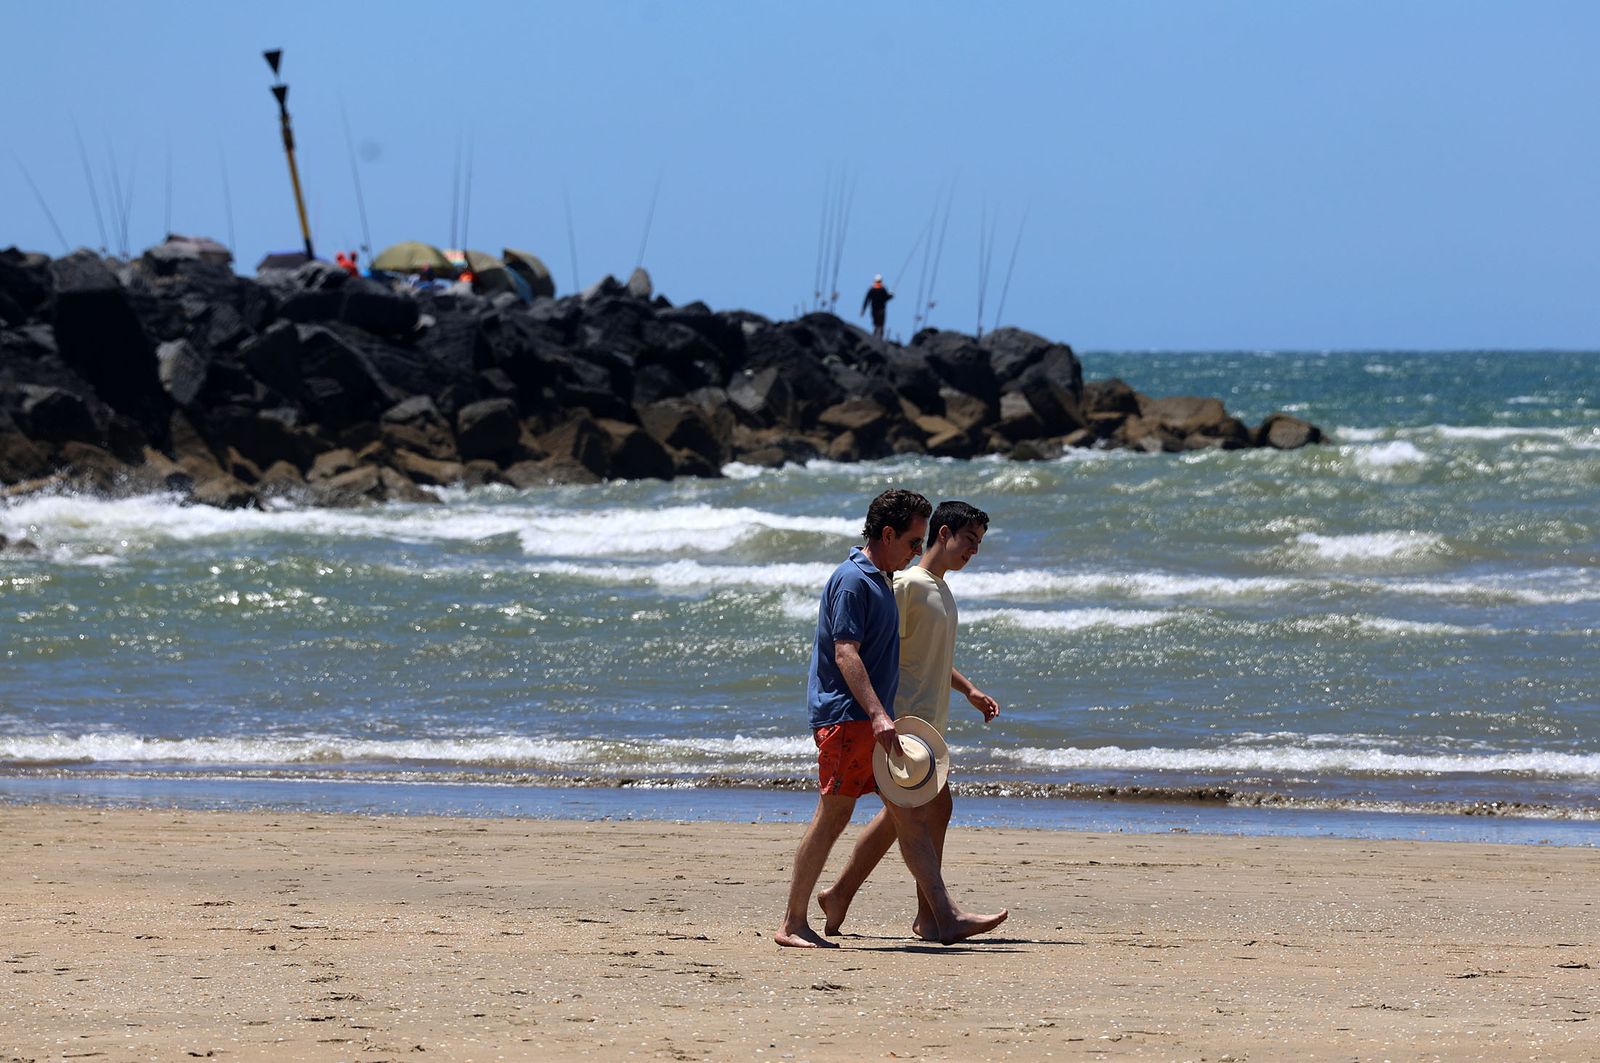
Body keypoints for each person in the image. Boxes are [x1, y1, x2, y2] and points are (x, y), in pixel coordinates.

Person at [774, 489, 1008, 949]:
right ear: (887, 533)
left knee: (914, 814)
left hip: (878, 722)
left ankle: (939, 915)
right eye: (912, 541)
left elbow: (898, 653)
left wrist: (966, 691)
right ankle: (793, 921)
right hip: (852, 718)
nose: (915, 552)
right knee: (834, 815)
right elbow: (846, 652)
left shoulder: (882, 580)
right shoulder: (859, 581)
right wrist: (883, 715)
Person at [860, 274, 893, 339]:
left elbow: (867, 300)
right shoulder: (881, 289)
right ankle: (877, 339)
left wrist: (863, 310)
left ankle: (877, 338)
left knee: (878, 325)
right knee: (879, 325)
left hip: (876, 310)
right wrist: (891, 296)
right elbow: (886, 298)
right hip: (879, 310)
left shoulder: (873, 290)